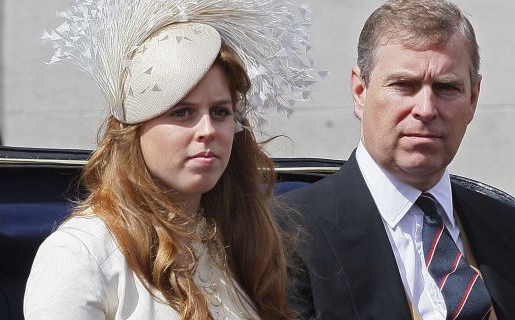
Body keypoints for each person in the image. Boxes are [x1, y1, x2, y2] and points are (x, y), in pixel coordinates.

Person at [24, 0, 317, 319]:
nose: (207, 130)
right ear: (132, 130)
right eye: (182, 112)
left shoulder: (239, 242)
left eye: (220, 112)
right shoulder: (81, 254)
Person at [279, 0, 515, 319]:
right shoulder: (287, 233)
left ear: (473, 98)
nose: (426, 109)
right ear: (360, 91)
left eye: (446, 88)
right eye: (404, 85)